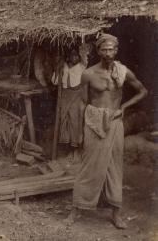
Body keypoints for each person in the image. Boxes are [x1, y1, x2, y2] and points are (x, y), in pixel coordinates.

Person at [66, 33, 147, 229]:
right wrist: (79, 132)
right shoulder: (88, 74)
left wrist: (124, 107)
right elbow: (81, 104)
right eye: (104, 49)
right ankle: (76, 209)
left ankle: (116, 213)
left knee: (114, 166)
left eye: (111, 49)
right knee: (88, 166)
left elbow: (143, 91)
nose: (108, 53)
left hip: (115, 123)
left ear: (116, 51)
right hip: (94, 123)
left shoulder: (123, 72)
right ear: (98, 51)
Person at [52, 48, 87, 157]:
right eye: (73, 55)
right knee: (64, 120)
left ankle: (75, 149)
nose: (75, 57)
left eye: (77, 55)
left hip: (76, 95)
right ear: (69, 56)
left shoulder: (82, 66)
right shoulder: (63, 66)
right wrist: (58, 69)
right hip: (65, 95)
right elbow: (54, 82)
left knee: (75, 121)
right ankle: (68, 150)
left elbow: (85, 52)